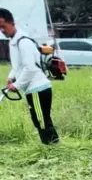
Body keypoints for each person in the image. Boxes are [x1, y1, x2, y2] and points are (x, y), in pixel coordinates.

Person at [0, 8, 59, 145]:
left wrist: (16, 85)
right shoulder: (15, 41)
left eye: (3, 26)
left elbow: (30, 68)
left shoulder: (23, 42)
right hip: (33, 89)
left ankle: (51, 148)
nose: (2, 30)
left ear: (12, 23)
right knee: (41, 119)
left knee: (41, 121)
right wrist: (11, 76)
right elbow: (19, 66)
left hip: (37, 89)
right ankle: (54, 146)